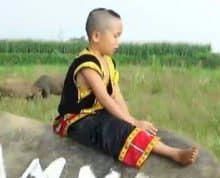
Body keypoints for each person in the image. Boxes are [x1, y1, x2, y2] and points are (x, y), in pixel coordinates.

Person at [53, 8, 198, 168]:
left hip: (97, 114)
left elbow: (116, 95)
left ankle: (146, 140)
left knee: (126, 125)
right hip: (77, 119)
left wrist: (131, 120)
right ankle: (173, 153)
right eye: (115, 36)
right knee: (115, 129)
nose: (118, 42)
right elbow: (104, 98)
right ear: (96, 36)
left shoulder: (108, 62)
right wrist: (132, 122)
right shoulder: (87, 63)